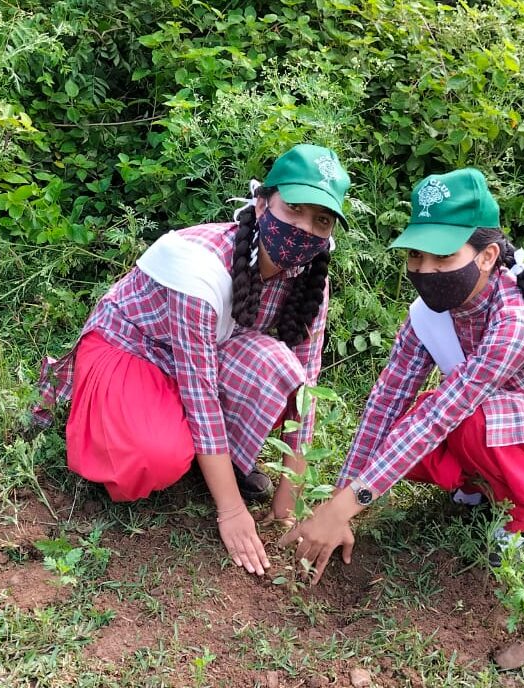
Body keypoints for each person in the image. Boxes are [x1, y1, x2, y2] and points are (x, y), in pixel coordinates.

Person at [281, 168, 524, 584]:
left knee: (464, 417)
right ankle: (487, 486)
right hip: (506, 425)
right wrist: (341, 498)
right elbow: (386, 400)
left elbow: (445, 413)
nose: (426, 270)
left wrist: (344, 507)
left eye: (444, 256)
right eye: (416, 255)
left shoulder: (516, 320)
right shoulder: (427, 315)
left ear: (486, 257)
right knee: (408, 420)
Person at [34, 144, 351, 577]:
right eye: (293, 209)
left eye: (321, 220)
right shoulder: (198, 264)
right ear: (262, 204)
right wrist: (232, 511)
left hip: (200, 357)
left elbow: (306, 387)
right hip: (133, 349)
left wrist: (287, 504)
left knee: (280, 368)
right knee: (155, 457)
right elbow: (199, 395)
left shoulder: (311, 278)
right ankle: (180, 453)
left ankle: (207, 459)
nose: (304, 228)